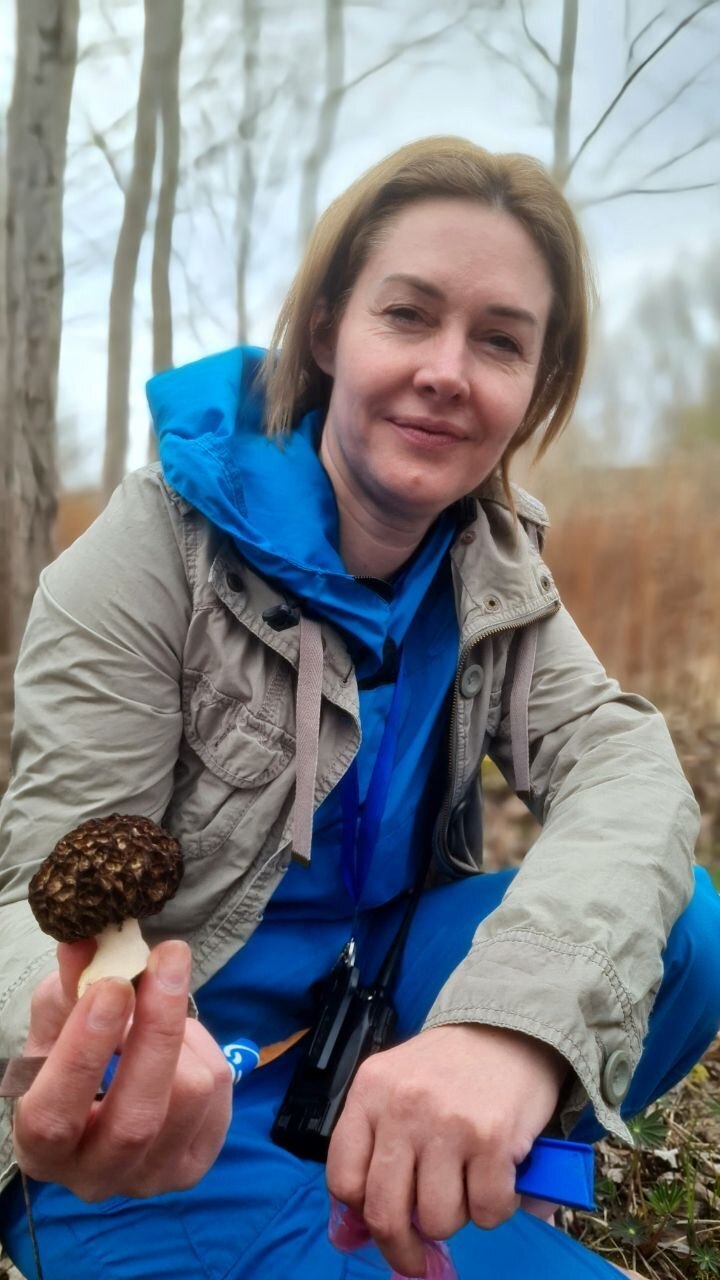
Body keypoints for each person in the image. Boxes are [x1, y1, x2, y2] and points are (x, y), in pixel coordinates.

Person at [0, 136, 718, 1280]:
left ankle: (486, 1157)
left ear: (536, 384)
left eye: (500, 340)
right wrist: (103, 1039)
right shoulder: (147, 555)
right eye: (408, 314)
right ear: (330, 329)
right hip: (176, 1098)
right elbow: (40, 894)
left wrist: (512, 1024)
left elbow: (624, 767)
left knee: (690, 925)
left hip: (363, 1011)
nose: (447, 369)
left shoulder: (489, 564)